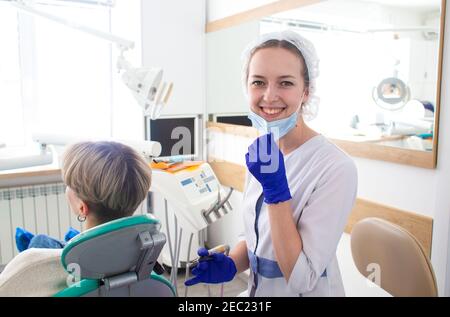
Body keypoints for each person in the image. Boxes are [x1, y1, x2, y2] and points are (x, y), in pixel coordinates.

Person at [185, 30, 358, 296]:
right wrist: (232, 263)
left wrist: (277, 195)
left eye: (285, 83)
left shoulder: (335, 168)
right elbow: (256, 238)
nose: (269, 96)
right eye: (258, 82)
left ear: (306, 92)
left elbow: (302, 279)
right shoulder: (263, 153)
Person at [14, 141, 152, 250]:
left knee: (40, 241)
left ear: (82, 207)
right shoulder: (142, 251)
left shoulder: (45, 255)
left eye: (69, 185)